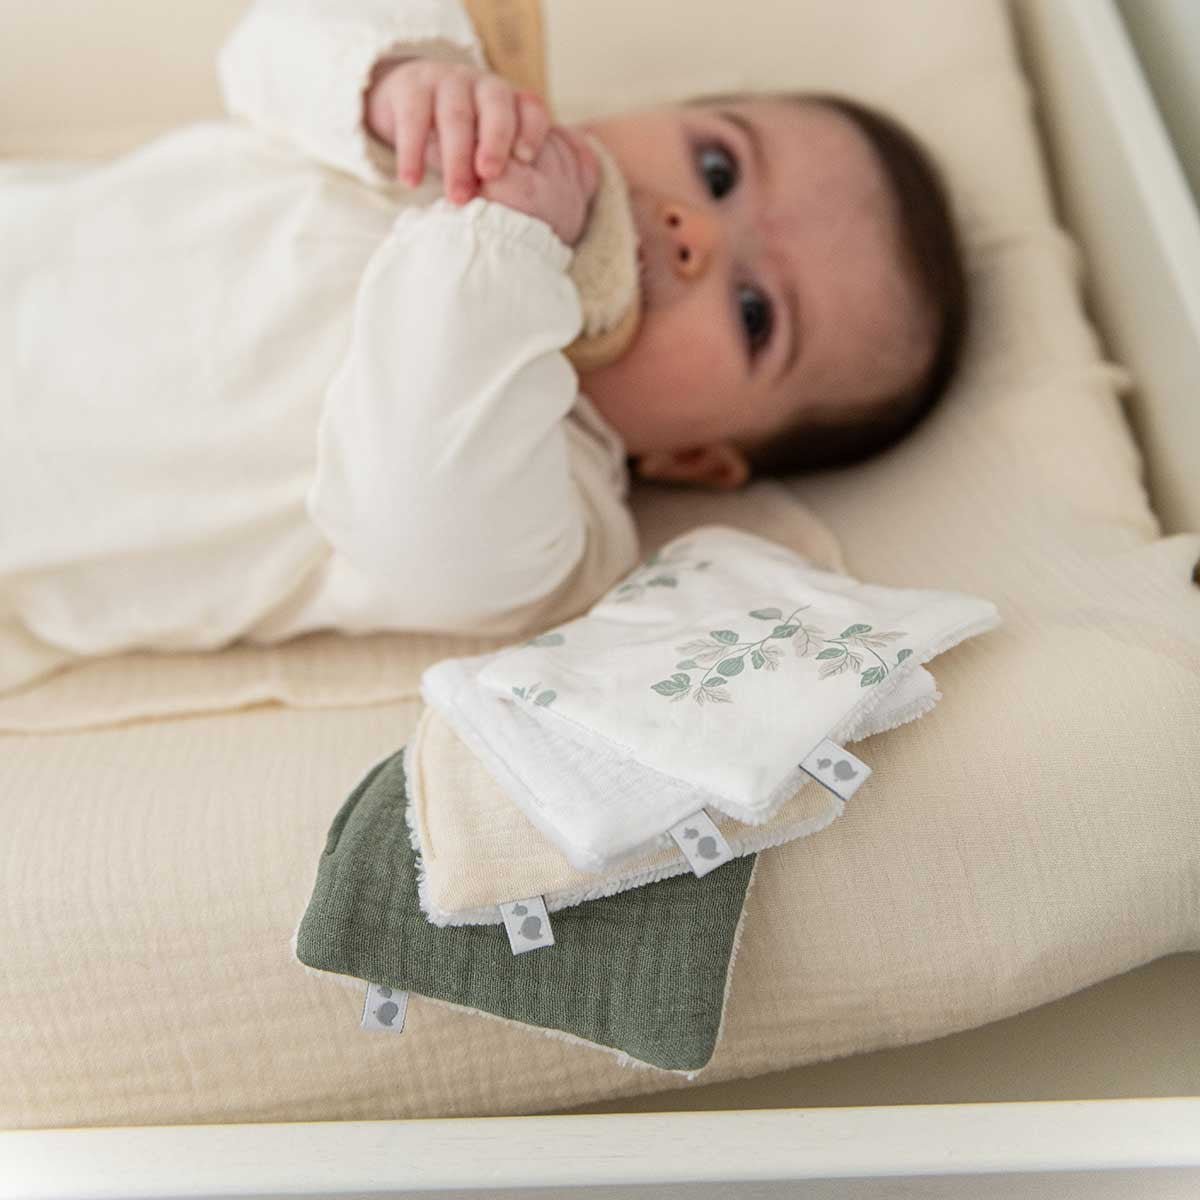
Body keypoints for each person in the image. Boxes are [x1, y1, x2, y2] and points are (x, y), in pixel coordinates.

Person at [0, 0, 967, 696]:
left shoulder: (557, 522)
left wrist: (506, 246)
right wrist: (395, 78)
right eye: (716, 169)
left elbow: (414, 513)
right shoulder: (431, 131)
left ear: (695, 459)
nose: (690, 231)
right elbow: (262, 50)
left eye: (755, 312)